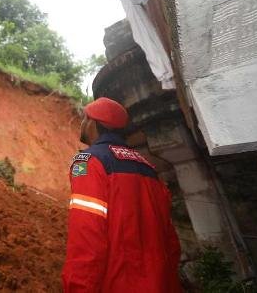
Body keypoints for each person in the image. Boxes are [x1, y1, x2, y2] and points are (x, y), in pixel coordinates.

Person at [62, 97, 182, 292]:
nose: (82, 124)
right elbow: (171, 241)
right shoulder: (148, 167)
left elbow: (87, 236)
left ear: (93, 122)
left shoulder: (85, 162)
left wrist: (78, 288)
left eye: (85, 119)